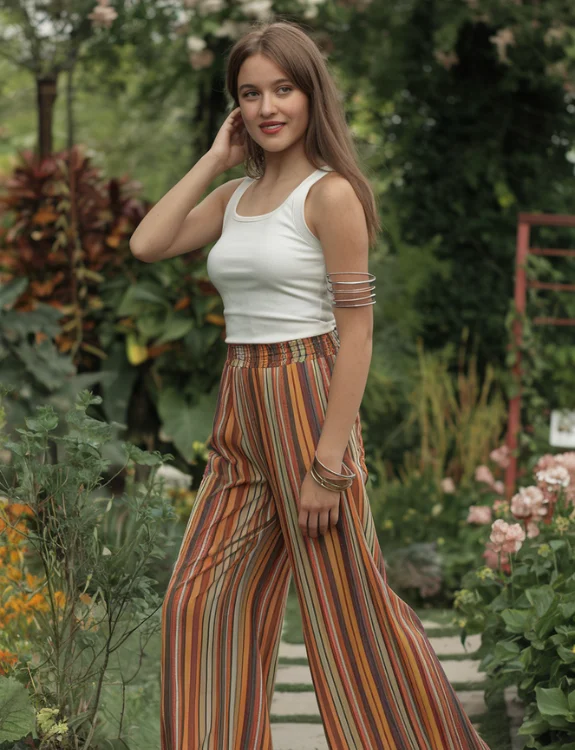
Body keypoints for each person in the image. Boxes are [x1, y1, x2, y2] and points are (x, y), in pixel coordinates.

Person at [130, 19, 491, 750]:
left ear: (310, 94)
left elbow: (353, 335)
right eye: (250, 93)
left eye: (282, 89)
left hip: (307, 401)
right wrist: (211, 157)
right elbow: (148, 242)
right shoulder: (234, 196)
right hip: (241, 407)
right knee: (195, 603)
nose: (267, 107)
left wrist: (328, 465)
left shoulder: (331, 197)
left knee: (349, 620)